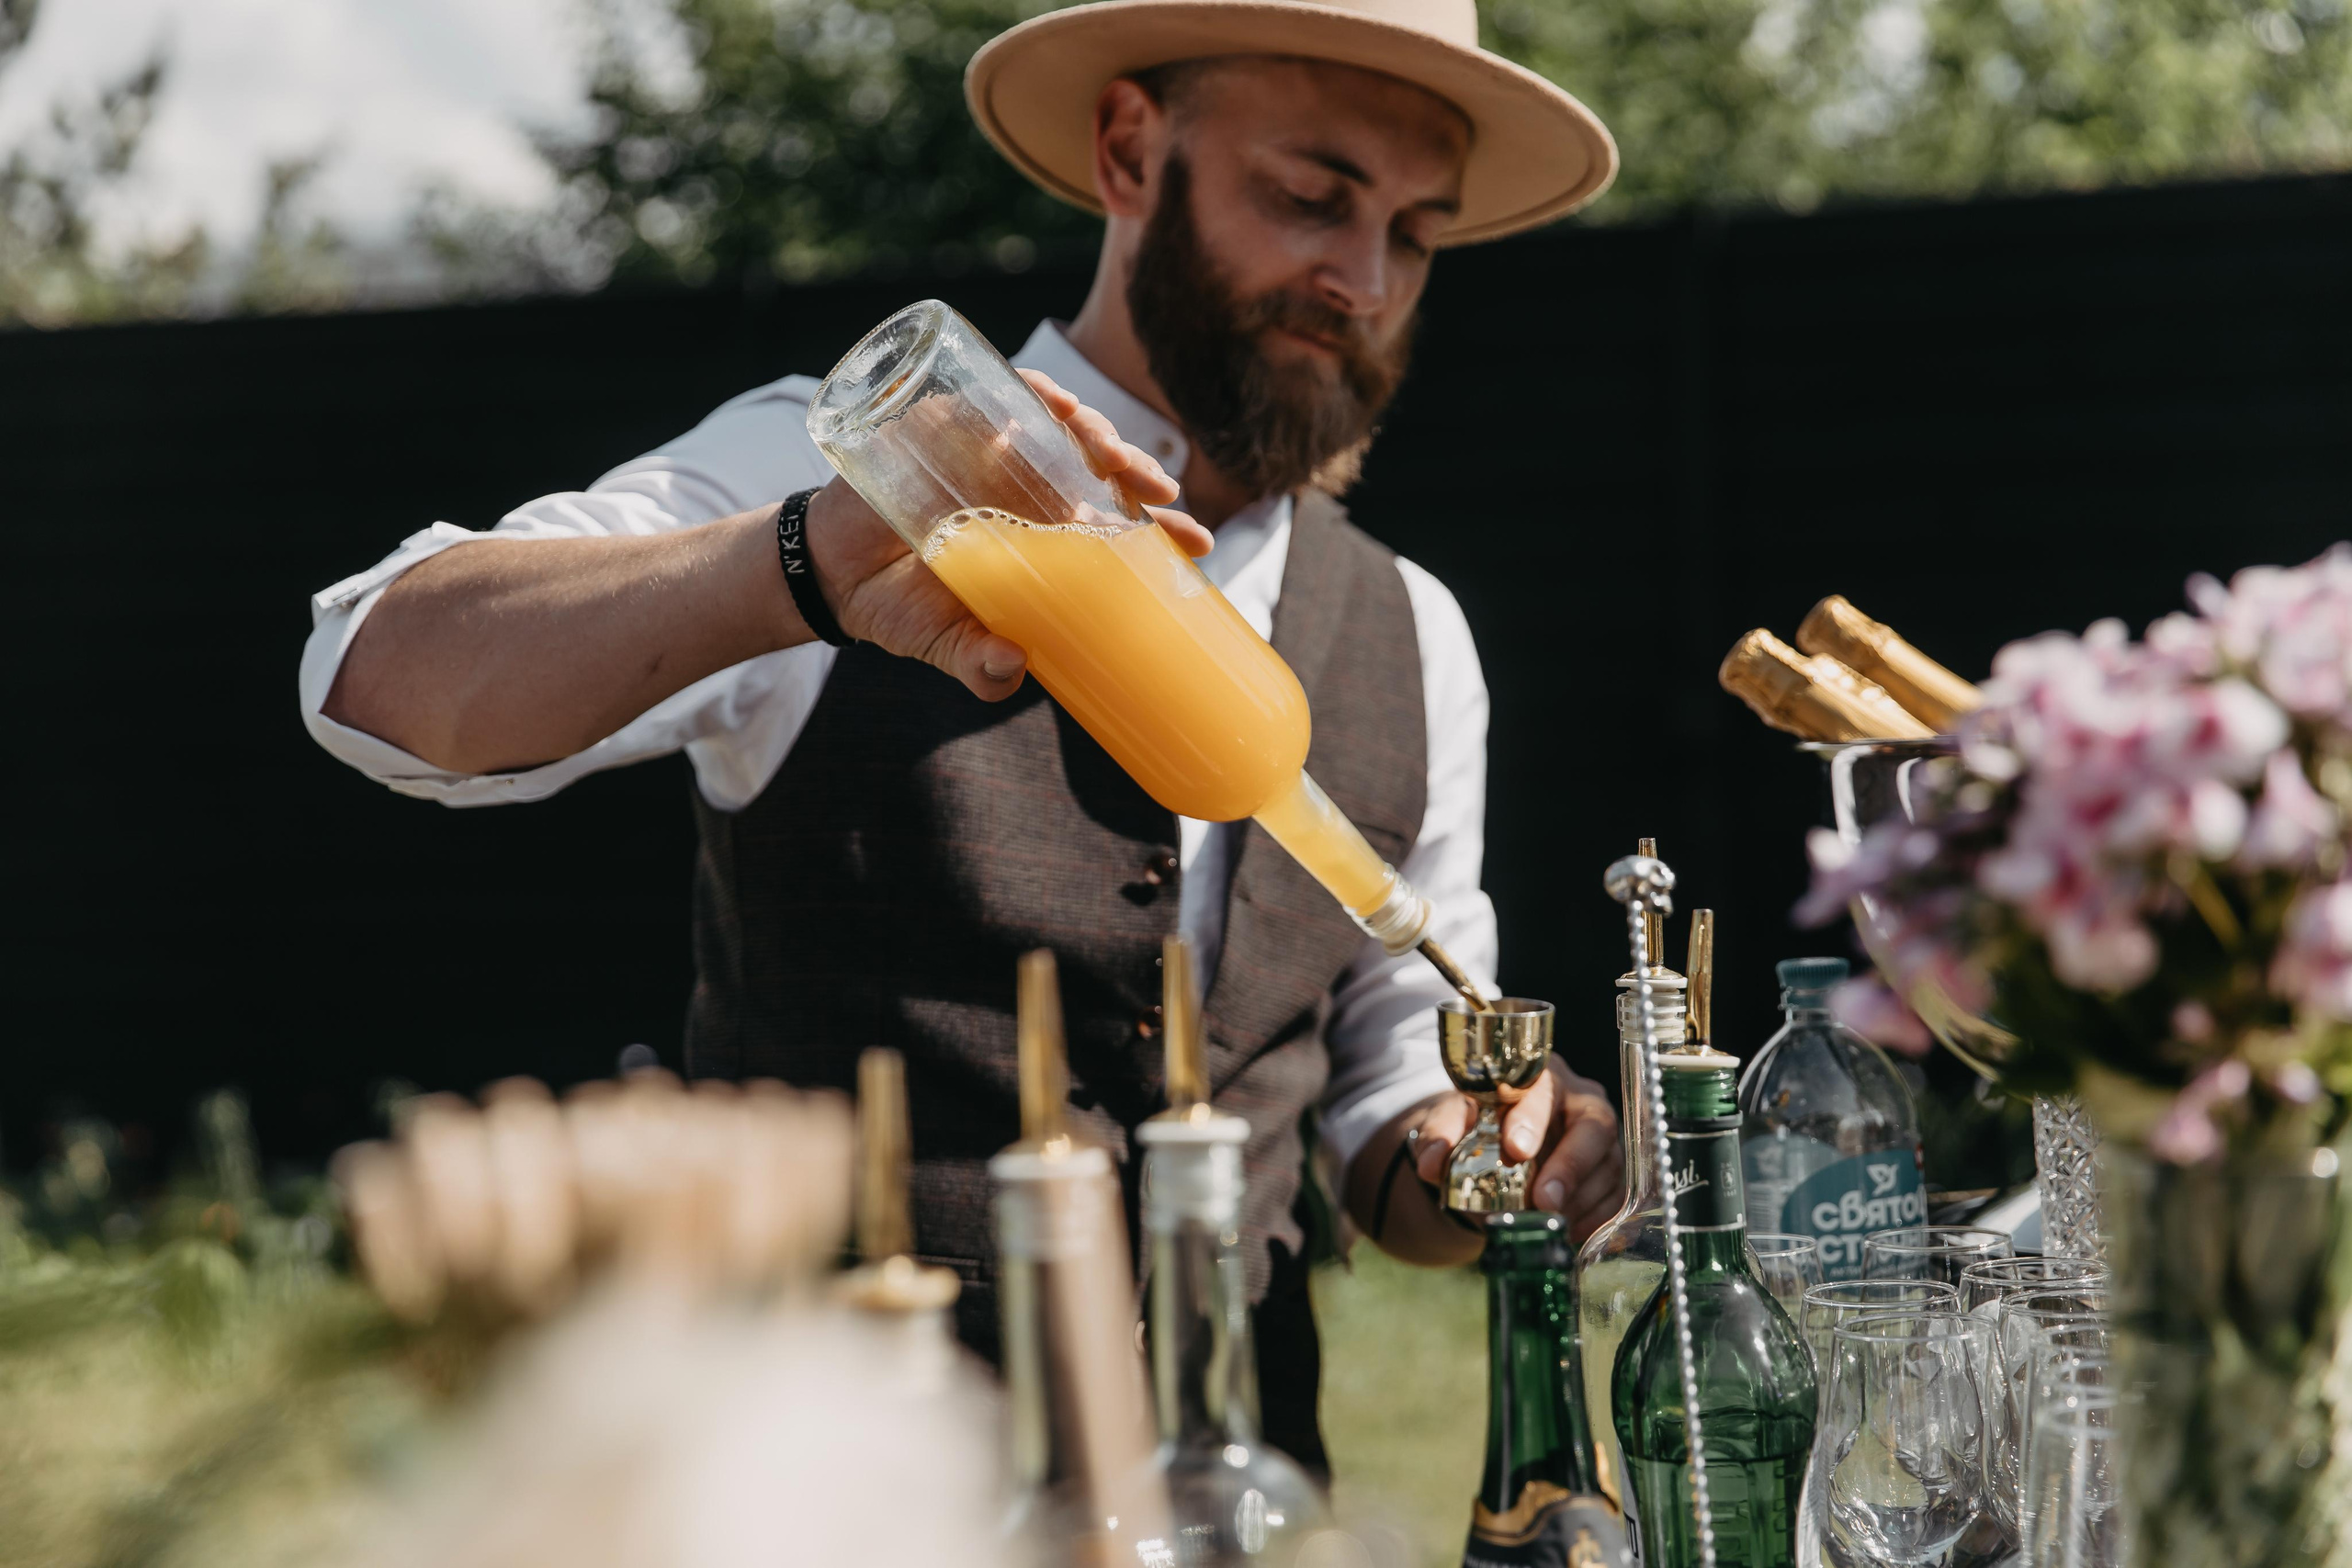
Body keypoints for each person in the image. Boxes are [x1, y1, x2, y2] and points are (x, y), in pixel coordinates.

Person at [300, 0, 1624, 1471]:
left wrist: (1493, 1162)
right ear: (1131, 151)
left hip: (1246, 1502)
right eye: (1310, 197)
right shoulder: (824, 467)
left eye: (1415, 234)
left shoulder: (1413, 631)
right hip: (833, 1498)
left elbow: (1391, 1102)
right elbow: (380, 675)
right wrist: (794, 564)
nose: (1363, 280)